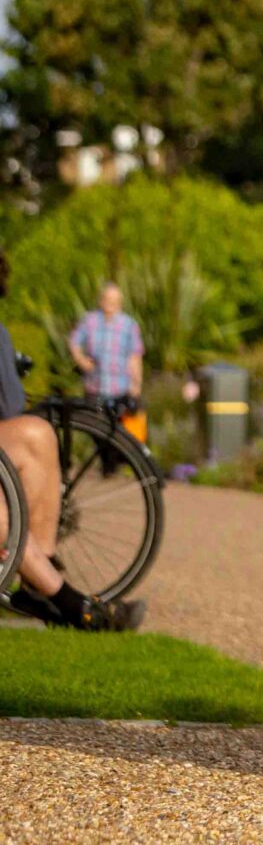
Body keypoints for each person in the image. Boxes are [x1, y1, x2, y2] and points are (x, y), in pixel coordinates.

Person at [2, 260, 140, 632]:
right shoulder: (92, 323)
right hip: (97, 382)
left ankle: (39, 574)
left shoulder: (128, 326)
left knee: (39, 433)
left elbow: (10, 407)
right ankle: (72, 606)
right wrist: (83, 362)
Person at [67, 282, 145, 443]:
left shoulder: (128, 325)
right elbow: (73, 341)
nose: (111, 304)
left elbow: (135, 356)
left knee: (120, 437)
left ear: (120, 303)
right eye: (108, 299)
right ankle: (105, 466)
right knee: (98, 434)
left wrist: (136, 384)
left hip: (120, 390)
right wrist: (80, 359)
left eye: (115, 300)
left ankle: (112, 467)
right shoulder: (90, 321)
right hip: (95, 388)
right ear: (101, 300)